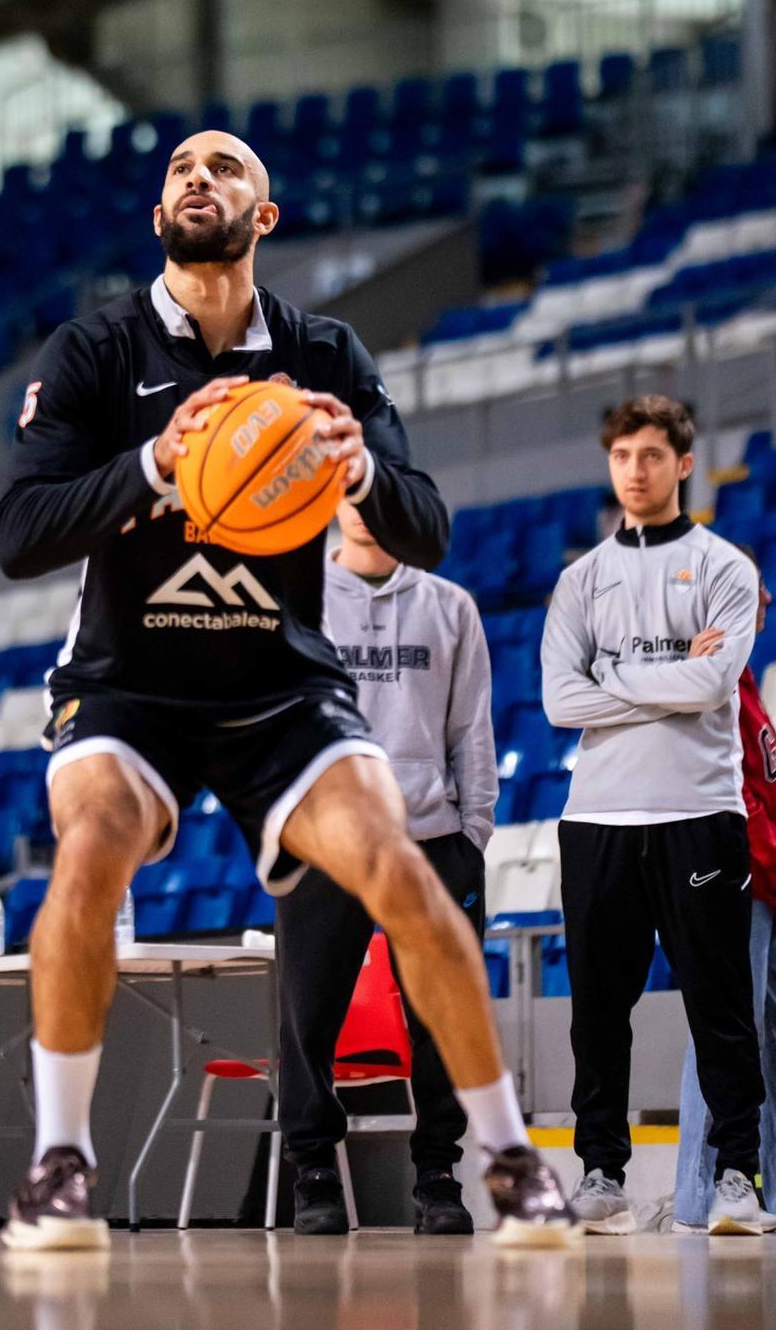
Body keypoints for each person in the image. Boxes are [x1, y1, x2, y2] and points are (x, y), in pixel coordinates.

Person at [0, 129, 578, 1250]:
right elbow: (18, 533)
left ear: (265, 214)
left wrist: (359, 467)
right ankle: (60, 1163)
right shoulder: (94, 352)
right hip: (130, 678)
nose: (195, 178)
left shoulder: (325, 355)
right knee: (90, 844)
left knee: (402, 866)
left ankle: (509, 1157)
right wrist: (157, 463)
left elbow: (429, 522)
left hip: (277, 677)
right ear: (158, 211)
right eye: (178, 169)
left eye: (223, 168)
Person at [541, 394, 766, 1236]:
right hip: (598, 819)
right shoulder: (580, 580)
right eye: (621, 455)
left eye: (650, 454)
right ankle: (602, 1174)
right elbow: (560, 702)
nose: (634, 470)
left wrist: (611, 684)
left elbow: (712, 688)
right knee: (598, 1009)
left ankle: (736, 1177)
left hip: (700, 813)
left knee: (720, 1003)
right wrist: (664, 687)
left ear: (682, 462)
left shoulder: (726, 569)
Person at [276, 495, 498, 1235]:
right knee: (307, 1016)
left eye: (379, 496)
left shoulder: (451, 606)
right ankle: (312, 1171)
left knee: (440, 1018)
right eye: (352, 495)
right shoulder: (294, 599)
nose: (365, 511)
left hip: (431, 839)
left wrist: (472, 835)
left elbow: (471, 728)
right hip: (326, 837)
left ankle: (438, 1174)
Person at [674, 549, 776, 1233]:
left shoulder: (745, 684)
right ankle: (698, 1200)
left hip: (768, 887)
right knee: (726, 1036)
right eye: (755, 591)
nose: (768, 602)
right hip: (735, 881)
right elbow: (720, 794)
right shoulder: (710, 683)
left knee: (772, 1038)